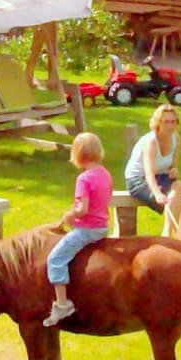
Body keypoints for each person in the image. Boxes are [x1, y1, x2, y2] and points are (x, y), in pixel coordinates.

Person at [43, 132, 111, 327]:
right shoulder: (105, 173)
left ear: (78, 154)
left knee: (55, 259)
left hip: (87, 230)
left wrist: (70, 216)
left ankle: (62, 304)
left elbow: (83, 209)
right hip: (102, 226)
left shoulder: (84, 179)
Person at [125, 104, 181, 236]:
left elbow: (173, 166)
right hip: (138, 178)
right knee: (168, 200)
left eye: (173, 122)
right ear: (158, 123)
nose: (170, 126)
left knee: (179, 187)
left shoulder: (176, 138)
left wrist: (174, 170)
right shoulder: (151, 142)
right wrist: (157, 193)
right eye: (166, 122)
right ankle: (170, 234)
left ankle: (168, 233)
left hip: (160, 175)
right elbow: (149, 172)